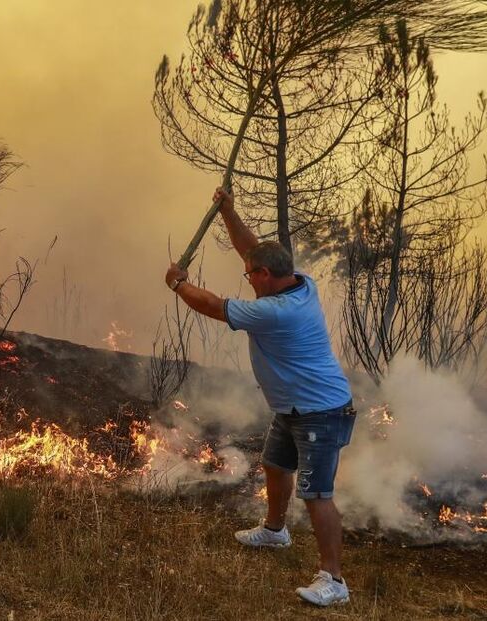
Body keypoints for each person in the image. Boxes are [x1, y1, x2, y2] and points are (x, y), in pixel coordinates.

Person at [164, 187, 355, 607]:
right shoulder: (299, 283)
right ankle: (274, 531)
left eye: (250, 275)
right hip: (294, 407)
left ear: (266, 277)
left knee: (316, 494)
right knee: (274, 464)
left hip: (321, 412)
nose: (248, 279)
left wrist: (178, 283)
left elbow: (213, 306)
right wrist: (229, 213)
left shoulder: (274, 312)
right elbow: (253, 250)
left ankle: (334, 580)